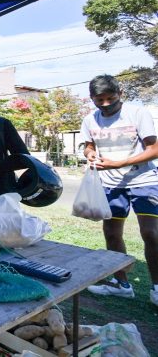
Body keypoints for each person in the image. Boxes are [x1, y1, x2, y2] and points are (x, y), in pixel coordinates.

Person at [81, 75, 158, 306]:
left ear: (120, 93)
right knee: (112, 234)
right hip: (111, 184)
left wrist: (120, 163)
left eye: (110, 98)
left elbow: (154, 149)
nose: (105, 104)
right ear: (92, 99)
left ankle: (156, 288)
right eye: (99, 100)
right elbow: (88, 146)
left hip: (143, 181)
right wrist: (90, 154)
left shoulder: (137, 113)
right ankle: (121, 284)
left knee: (151, 233)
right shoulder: (90, 120)